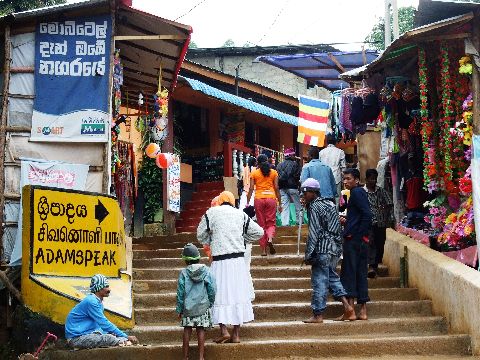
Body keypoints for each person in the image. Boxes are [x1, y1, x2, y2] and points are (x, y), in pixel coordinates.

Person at [197, 191, 264, 344]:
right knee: (238, 295)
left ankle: (223, 331)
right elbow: (259, 232)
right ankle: (236, 334)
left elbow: (200, 235)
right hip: (238, 262)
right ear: (232, 201)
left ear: (220, 201)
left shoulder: (211, 213)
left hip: (220, 261)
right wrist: (243, 239)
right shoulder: (240, 214)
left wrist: (212, 239)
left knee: (218, 295)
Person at [301, 178, 356, 324]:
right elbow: (337, 227)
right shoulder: (330, 204)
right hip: (334, 248)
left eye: (305, 192)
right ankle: (348, 308)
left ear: (313, 192)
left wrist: (308, 253)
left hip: (322, 248)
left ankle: (318, 314)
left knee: (319, 281)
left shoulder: (314, 207)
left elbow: (314, 231)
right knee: (332, 278)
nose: (304, 195)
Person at [65, 274, 138, 349]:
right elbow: (104, 323)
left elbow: (98, 325)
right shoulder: (91, 301)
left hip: (88, 334)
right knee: (109, 338)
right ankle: (123, 342)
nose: (109, 289)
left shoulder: (97, 302)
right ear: (99, 288)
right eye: (106, 287)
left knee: (114, 336)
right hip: (76, 339)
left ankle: (122, 341)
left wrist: (118, 334)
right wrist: (126, 336)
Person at [339, 168, 372, 321]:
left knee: (350, 273)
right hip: (358, 239)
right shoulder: (357, 193)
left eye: (348, 179)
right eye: (344, 179)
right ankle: (362, 311)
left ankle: (350, 310)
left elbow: (367, 215)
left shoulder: (357, 193)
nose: (345, 181)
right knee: (360, 273)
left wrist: (359, 236)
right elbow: (360, 216)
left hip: (355, 240)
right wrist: (349, 221)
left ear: (357, 180)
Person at [176, 243, 216, 360]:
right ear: (198, 257)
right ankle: (201, 357)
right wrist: (211, 302)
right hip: (202, 306)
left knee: (187, 330)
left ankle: (185, 357)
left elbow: (180, 293)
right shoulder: (207, 271)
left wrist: (179, 309)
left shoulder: (184, 273)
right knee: (200, 330)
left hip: (188, 308)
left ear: (185, 260)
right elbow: (212, 289)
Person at [247, 154, 282, 256]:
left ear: (257, 162)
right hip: (271, 199)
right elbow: (276, 188)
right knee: (271, 223)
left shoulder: (254, 173)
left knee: (261, 225)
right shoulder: (274, 172)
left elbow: (251, 188)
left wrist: (248, 202)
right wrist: (279, 203)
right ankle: (270, 238)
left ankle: (263, 251)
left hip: (258, 199)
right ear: (267, 161)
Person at [364, 169, 393, 278]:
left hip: (381, 223)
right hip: (368, 223)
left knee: (380, 244)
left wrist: (384, 211)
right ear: (366, 179)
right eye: (370, 179)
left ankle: (374, 266)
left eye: (374, 179)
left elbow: (390, 203)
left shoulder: (381, 191)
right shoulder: (362, 192)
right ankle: (371, 266)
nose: (373, 181)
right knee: (370, 243)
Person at [276, 147, 302, 226]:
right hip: (293, 187)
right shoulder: (295, 164)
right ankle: (299, 223)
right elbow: (298, 177)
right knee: (298, 206)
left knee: (285, 206)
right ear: (291, 155)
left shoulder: (279, 165)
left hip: (282, 188)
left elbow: (278, 177)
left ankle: (285, 225)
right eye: (294, 155)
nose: (295, 157)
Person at [319, 134, 346, 205]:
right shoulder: (340, 152)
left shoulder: (321, 152)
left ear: (327, 142)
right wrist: (344, 180)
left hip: (324, 178)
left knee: (325, 199)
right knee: (336, 200)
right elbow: (343, 168)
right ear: (336, 142)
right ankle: (335, 215)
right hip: (336, 178)